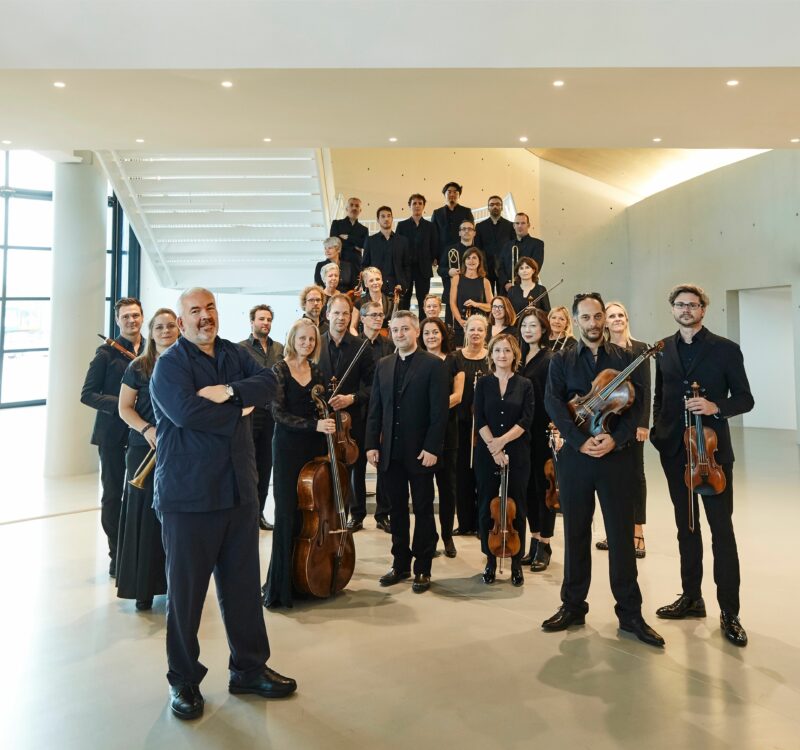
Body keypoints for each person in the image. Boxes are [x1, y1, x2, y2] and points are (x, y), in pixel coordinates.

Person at [150, 288, 296, 721]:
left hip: (238, 492)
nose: (204, 317)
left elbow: (271, 381)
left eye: (210, 308)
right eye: (194, 311)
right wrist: (242, 409)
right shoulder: (169, 366)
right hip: (189, 497)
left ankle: (249, 668)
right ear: (181, 320)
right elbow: (188, 414)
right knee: (186, 596)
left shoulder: (234, 354)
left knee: (243, 589)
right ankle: (184, 680)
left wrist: (230, 391)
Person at [542, 292, 664, 648]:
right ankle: (573, 605)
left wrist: (617, 439)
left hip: (616, 458)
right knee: (577, 532)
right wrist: (578, 441)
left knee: (622, 538)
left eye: (598, 317)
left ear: (605, 320)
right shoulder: (562, 359)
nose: (594, 323)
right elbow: (554, 401)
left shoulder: (628, 357)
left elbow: (639, 406)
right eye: (586, 317)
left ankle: (630, 614)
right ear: (576, 320)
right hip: (577, 458)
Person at [651, 284, 753, 647]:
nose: (686, 310)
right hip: (675, 451)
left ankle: (730, 611)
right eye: (679, 304)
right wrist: (657, 432)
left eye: (692, 305)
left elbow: (745, 398)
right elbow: (659, 396)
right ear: (673, 309)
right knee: (686, 527)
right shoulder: (663, 349)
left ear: (703, 309)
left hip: (712, 456)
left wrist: (715, 408)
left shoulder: (725, 349)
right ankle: (691, 597)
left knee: (721, 532)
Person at [365, 311, 449, 593]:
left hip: (421, 452)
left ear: (416, 332)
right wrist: (371, 445)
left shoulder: (433, 365)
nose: (399, 334)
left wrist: (432, 448)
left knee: (423, 509)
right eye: (395, 329)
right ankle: (399, 563)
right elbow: (375, 409)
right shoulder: (384, 365)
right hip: (390, 452)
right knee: (396, 510)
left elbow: (439, 413)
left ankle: (422, 567)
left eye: (404, 329)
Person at [262, 318, 336, 609]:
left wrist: (328, 419)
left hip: (314, 448)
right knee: (287, 515)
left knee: (312, 515)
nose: (307, 344)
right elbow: (277, 413)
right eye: (302, 338)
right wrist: (313, 425)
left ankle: (305, 577)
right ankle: (281, 587)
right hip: (288, 448)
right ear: (292, 339)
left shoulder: (317, 371)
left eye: (312, 340)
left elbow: (323, 405)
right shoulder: (279, 370)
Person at [116, 307, 179, 610]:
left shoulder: (187, 364)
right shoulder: (139, 366)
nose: (165, 331)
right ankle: (143, 589)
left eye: (170, 326)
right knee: (144, 517)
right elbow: (124, 408)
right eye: (159, 327)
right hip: (146, 448)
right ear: (151, 333)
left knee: (175, 519)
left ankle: (174, 587)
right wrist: (146, 429)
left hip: (179, 448)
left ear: (179, 329)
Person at [81, 296, 145, 577]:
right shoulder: (105, 354)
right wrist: (123, 404)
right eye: (126, 317)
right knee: (114, 494)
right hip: (112, 434)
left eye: (136, 315)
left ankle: (138, 551)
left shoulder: (152, 351)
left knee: (139, 494)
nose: (132, 320)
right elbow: (88, 394)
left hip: (144, 433)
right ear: (118, 321)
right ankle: (116, 553)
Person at [473, 334, 533, 586]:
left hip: (517, 452)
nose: (502, 355)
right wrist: (494, 448)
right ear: (491, 355)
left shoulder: (525, 384)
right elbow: (480, 418)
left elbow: (526, 420)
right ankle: (489, 558)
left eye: (507, 351)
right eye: (497, 350)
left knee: (516, 507)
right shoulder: (484, 384)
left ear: (514, 355)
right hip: (488, 454)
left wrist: (502, 442)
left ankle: (516, 563)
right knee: (487, 506)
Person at [318, 294, 377, 533]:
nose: (341, 318)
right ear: (327, 315)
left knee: (356, 468)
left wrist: (352, 398)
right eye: (336, 313)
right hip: (323, 419)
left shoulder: (361, 347)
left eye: (345, 313)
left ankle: (358, 514)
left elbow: (373, 386)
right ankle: (329, 510)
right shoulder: (317, 344)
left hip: (353, 419)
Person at [595, 301, 650, 557]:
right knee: (610, 478)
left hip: (633, 419)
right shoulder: (601, 350)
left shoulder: (640, 349)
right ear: (604, 322)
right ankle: (615, 532)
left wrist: (642, 423)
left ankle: (637, 532)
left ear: (626, 319)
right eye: (611, 316)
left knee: (635, 476)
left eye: (620, 315)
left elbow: (646, 389)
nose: (617, 319)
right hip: (608, 419)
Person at [419, 317, 464, 558]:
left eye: (435, 332)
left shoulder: (454, 360)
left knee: (447, 489)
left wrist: (434, 409)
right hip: (423, 434)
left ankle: (447, 536)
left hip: (448, 432)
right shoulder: (419, 361)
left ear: (443, 335)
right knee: (424, 491)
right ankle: (429, 537)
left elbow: (458, 396)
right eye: (426, 333)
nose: (431, 336)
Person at [239, 304, 285, 531]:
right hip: (249, 413)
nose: (265, 323)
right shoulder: (240, 349)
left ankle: (258, 514)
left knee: (266, 465)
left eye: (268, 319)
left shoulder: (280, 348)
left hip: (273, 415)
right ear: (252, 322)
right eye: (261, 319)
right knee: (248, 465)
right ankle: (245, 515)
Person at [517, 307, 556, 571]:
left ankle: (545, 544)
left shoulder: (550, 357)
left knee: (545, 489)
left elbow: (555, 395)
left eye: (533, 326)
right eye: (524, 326)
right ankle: (533, 540)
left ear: (543, 329)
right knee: (528, 488)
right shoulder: (518, 358)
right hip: (522, 432)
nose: (528, 330)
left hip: (542, 430)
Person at [358, 299, 394, 532]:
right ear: (362, 318)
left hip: (383, 411)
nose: (378, 318)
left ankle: (383, 514)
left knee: (384, 464)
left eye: (380, 314)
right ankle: (357, 513)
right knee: (357, 465)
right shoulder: (355, 345)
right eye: (373, 315)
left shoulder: (389, 345)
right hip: (359, 410)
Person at [453, 314, 489, 536]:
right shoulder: (455, 357)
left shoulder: (492, 357)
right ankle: (465, 522)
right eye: (472, 329)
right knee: (461, 473)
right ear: (466, 332)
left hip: (485, 424)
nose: (475, 333)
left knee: (482, 474)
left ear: (486, 333)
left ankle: (481, 522)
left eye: (480, 330)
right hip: (460, 422)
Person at [395, 193, 439, 310]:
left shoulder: (430, 226)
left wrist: (430, 260)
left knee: (423, 300)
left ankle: (423, 326)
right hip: (406, 268)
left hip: (423, 269)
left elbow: (434, 245)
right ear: (410, 205)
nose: (417, 206)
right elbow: (397, 246)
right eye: (414, 203)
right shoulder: (402, 225)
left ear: (424, 206)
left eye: (420, 203)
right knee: (404, 300)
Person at [362, 206, 411, 302]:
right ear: (378, 220)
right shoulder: (370, 240)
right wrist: (367, 285)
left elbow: (407, 266)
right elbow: (365, 265)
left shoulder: (403, 241)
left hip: (397, 287)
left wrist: (404, 284)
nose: (386, 219)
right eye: (383, 216)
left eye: (389, 216)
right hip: (376, 287)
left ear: (392, 218)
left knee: (397, 316)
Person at [438, 219, 478, 326]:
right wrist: (449, 271)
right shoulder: (449, 249)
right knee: (451, 329)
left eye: (469, 229)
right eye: (463, 229)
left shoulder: (479, 252)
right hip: (452, 295)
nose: (466, 231)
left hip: (473, 294)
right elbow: (440, 269)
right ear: (459, 232)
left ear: (474, 233)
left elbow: (484, 272)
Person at [449, 246, 492, 346]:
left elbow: (491, 306)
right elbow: (452, 302)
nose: (471, 261)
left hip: (479, 325)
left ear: (479, 261)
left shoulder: (485, 282)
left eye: (474, 258)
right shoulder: (456, 278)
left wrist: (476, 304)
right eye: (468, 258)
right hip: (461, 324)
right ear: (464, 261)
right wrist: (460, 320)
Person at [498, 213, 545, 294]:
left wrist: (520, 284)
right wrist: (506, 283)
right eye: (517, 223)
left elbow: (536, 267)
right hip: (508, 290)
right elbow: (500, 268)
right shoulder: (507, 245)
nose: (520, 226)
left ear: (528, 225)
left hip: (528, 289)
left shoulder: (537, 244)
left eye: (523, 223)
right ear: (514, 226)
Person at [476, 195, 515, 293]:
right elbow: (477, 248)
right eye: (492, 205)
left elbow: (513, 247)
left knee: (504, 298)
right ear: (488, 208)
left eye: (498, 204)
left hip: (504, 268)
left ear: (501, 207)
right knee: (486, 298)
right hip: (486, 268)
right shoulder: (480, 226)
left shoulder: (510, 226)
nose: (495, 207)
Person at [431, 181, 474, 258]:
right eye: (449, 192)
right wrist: (434, 255)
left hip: (464, 252)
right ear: (444, 194)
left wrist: (471, 252)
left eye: (455, 192)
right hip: (442, 253)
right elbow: (434, 236)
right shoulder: (437, 213)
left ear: (459, 195)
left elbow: (471, 233)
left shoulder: (466, 211)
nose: (452, 194)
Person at [350, 266, 395, 335]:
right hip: (365, 340)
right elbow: (352, 327)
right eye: (371, 280)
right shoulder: (359, 303)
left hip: (386, 340)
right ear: (366, 284)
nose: (375, 283)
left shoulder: (392, 302)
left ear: (382, 281)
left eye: (377, 279)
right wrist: (359, 342)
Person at [329, 196, 368, 268]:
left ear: (360, 210)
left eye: (357, 206)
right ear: (347, 208)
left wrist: (348, 237)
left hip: (356, 264)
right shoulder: (336, 224)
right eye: (351, 205)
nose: (354, 208)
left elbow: (364, 245)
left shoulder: (364, 229)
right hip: (340, 261)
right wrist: (355, 246)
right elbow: (333, 242)